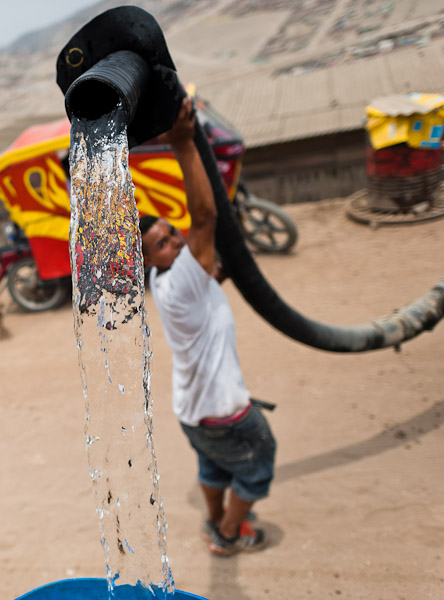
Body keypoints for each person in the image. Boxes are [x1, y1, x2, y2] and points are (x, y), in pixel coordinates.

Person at [139, 97, 276, 556]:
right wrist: (181, 142)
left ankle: (215, 518)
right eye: (161, 244)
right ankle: (228, 532)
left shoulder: (166, 280)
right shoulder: (179, 278)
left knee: (215, 469)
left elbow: (204, 262)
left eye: (171, 233)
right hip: (224, 409)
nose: (176, 241)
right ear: (148, 260)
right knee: (257, 466)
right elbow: (206, 217)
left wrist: (225, 269)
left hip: (192, 409)